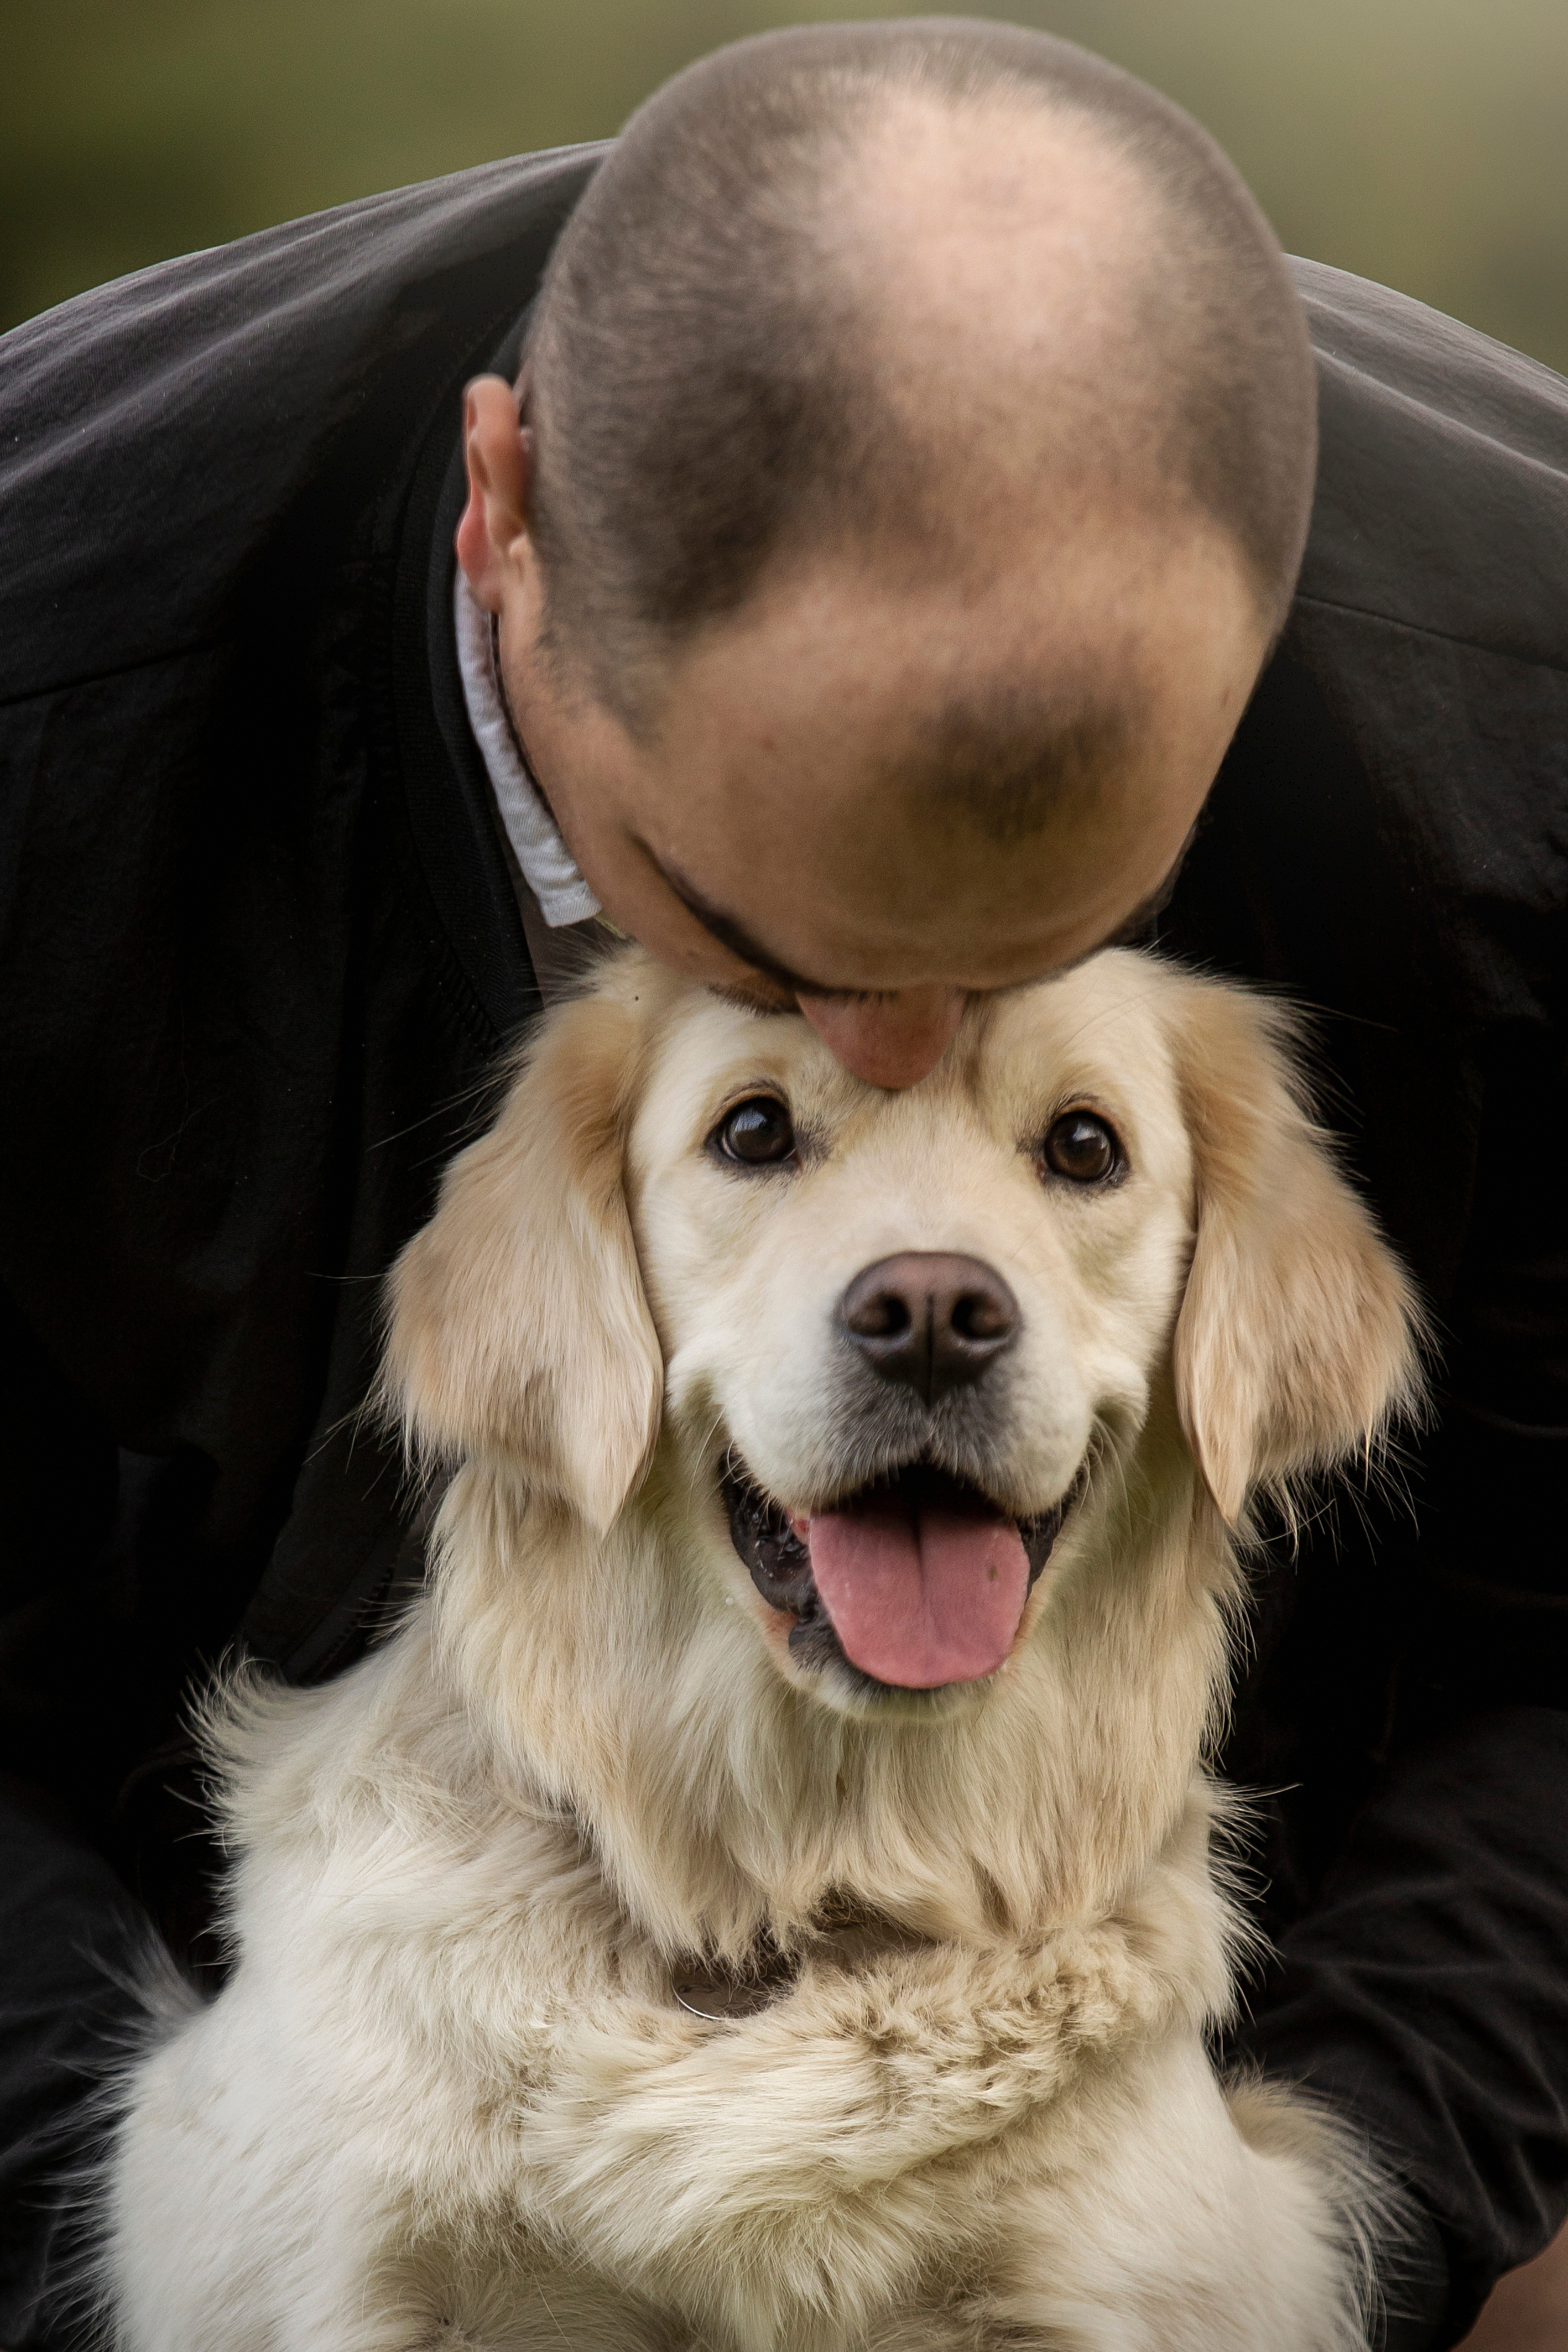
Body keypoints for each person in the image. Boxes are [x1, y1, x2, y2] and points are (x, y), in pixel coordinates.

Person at [0, 18, 1562, 2348]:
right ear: (501, 521)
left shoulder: (1527, 712)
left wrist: (1319, 2240)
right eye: (772, 966)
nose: (914, 1162)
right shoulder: (52, 683)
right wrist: (146, 2230)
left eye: (1033, 967)